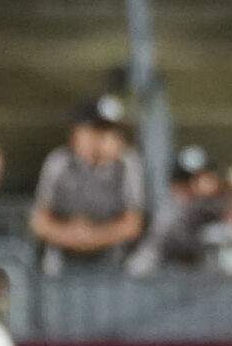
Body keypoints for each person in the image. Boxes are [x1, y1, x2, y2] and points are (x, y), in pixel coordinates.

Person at [27, 97, 148, 272]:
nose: (110, 138)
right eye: (100, 130)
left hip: (111, 260)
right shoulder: (59, 161)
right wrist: (70, 235)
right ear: (79, 131)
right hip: (64, 257)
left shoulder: (127, 164)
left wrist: (94, 237)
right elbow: (39, 222)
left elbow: (132, 224)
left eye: (113, 131)